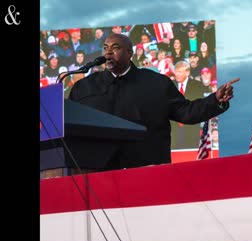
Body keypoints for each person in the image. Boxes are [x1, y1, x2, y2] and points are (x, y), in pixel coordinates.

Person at [69, 33, 239, 170]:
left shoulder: (156, 84)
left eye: (115, 48)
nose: (108, 53)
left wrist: (215, 100)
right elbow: (71, 127)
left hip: (146, 171)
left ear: (130, 53)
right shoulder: (84, 87)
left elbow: (186, 112)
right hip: (98, 173)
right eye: (105, 48)